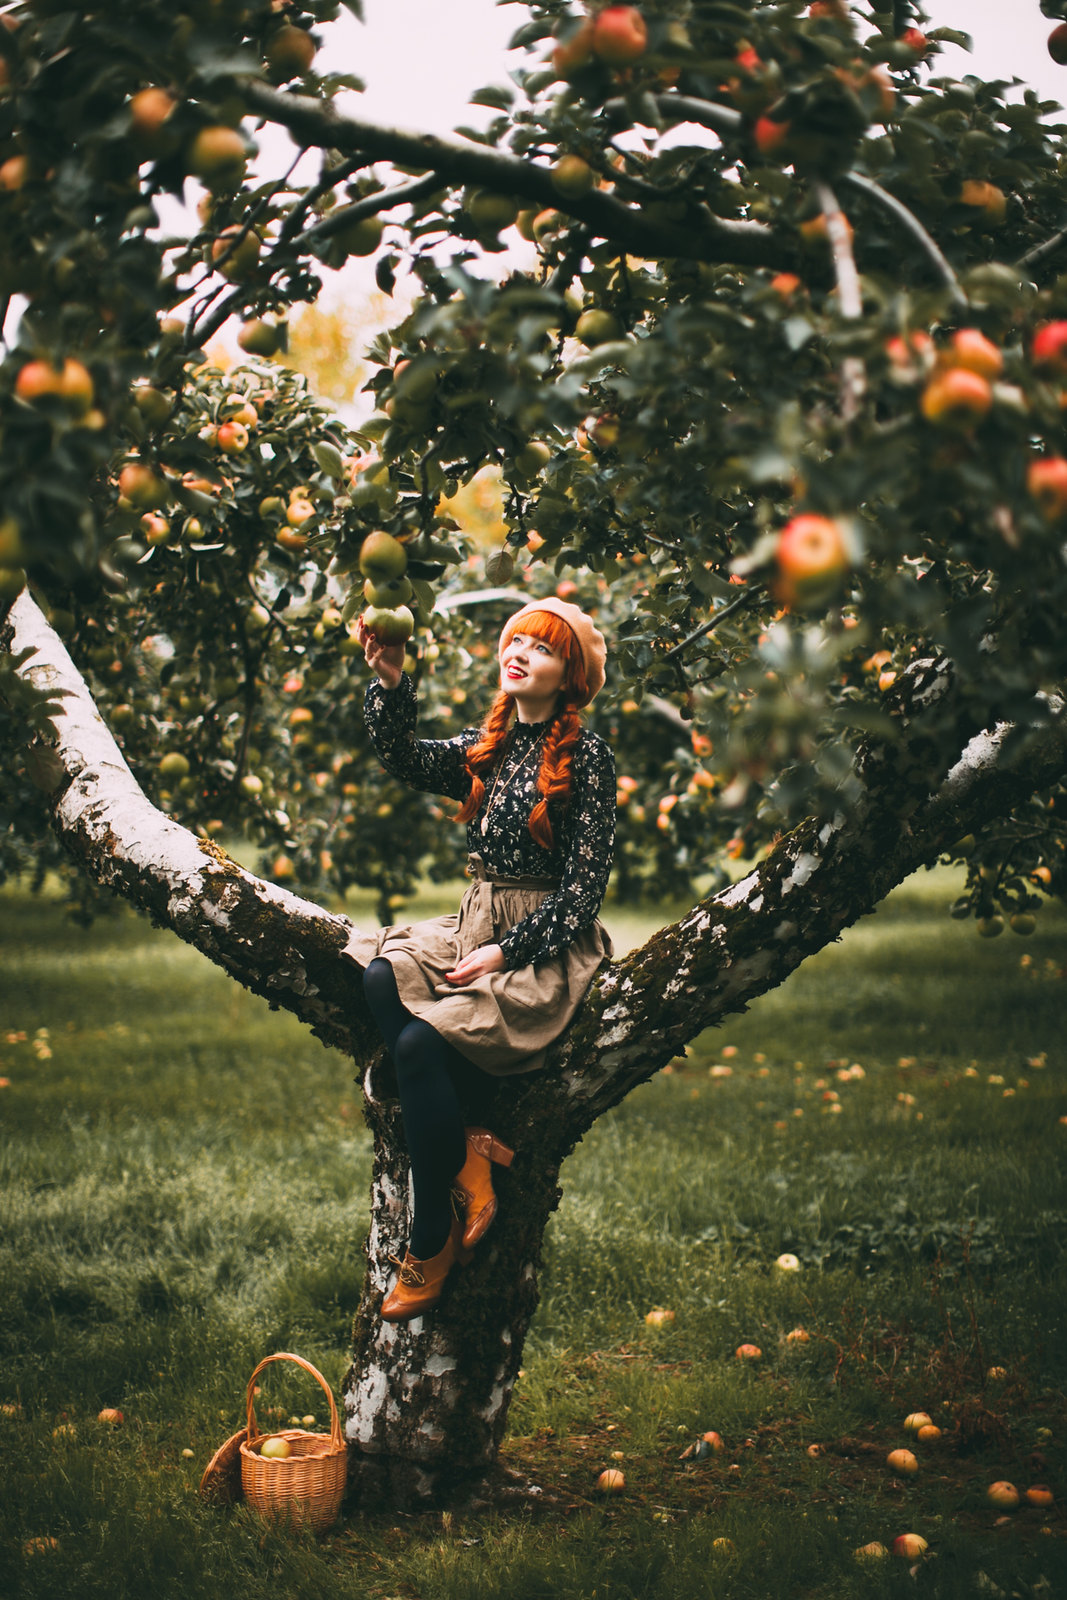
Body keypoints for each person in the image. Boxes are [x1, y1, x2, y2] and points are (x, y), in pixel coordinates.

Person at [342, 596, 615, 1323]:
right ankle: (466, 1150)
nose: (519, 651)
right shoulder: (489, 745)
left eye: (542, 646)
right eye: (514, 639)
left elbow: (584, 893)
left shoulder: (586, 758)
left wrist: (506, 951)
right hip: (477, 920)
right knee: (379, 974)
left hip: (543, 940)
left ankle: (429, 1242)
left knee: (418, 1042)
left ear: (570, 673)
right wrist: (392, 680)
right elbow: (402, 757)